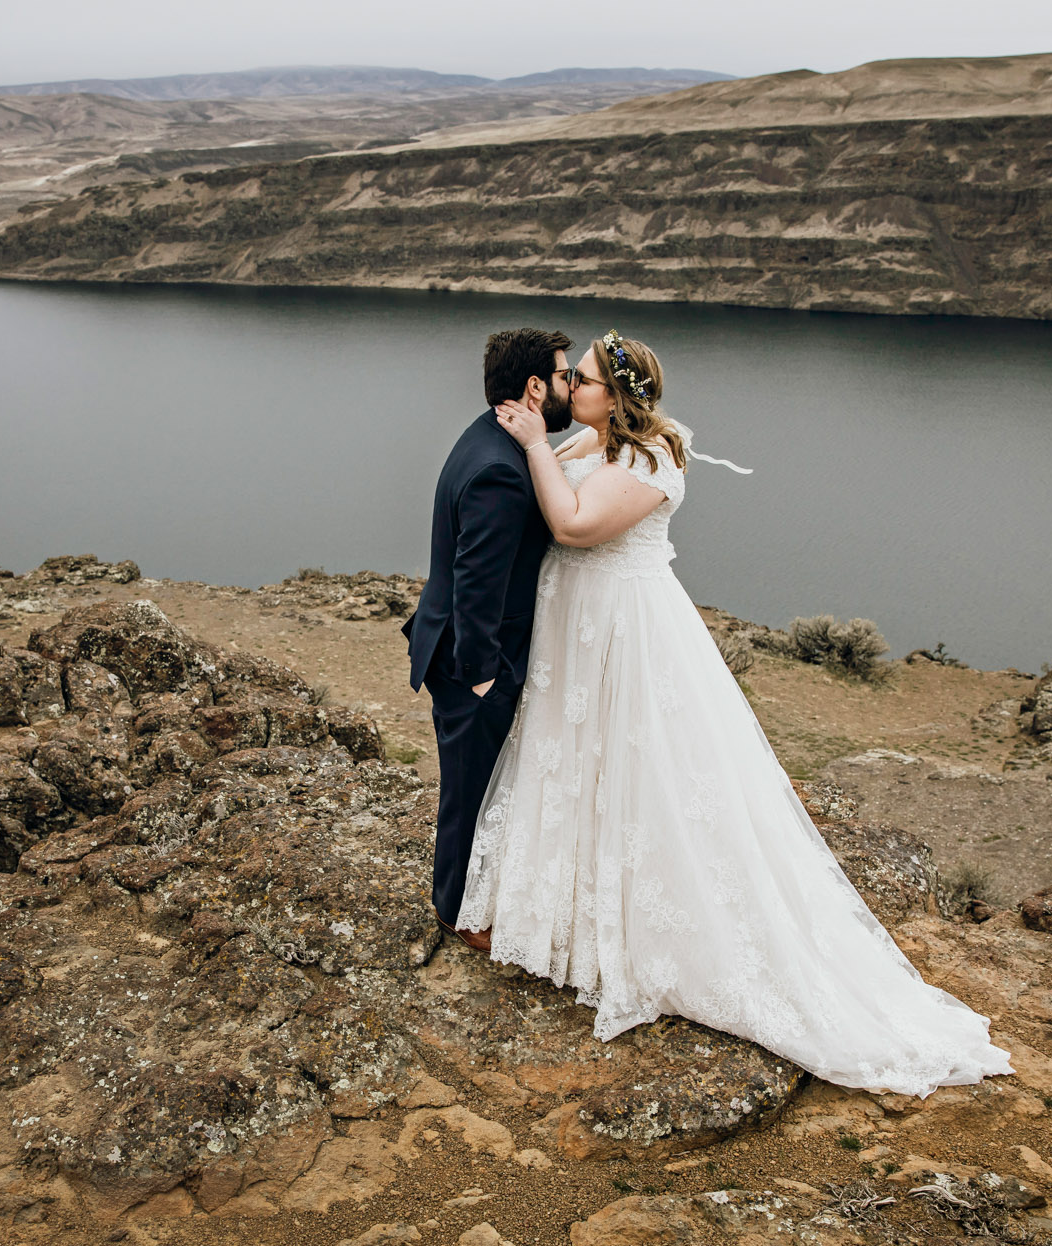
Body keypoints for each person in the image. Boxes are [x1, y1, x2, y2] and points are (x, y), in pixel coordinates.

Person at [459, 329, 1015, 1098]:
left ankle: (652, 937)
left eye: (580, 379)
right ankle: (568, 922)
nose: (567, 389)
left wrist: (530, 447)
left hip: (629, 637)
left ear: (615, 394)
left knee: (640, 774)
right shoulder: (592, 441)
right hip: (580, 639)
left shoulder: (651, 458)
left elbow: (575, 527)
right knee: (576, 766)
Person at [402, 328, 576, 952]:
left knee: (475, 781)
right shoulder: (500, 471)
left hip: (459, 649)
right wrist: (482, 674)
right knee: (469, 787)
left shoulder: (490, 436)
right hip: (471, 661)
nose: (570, 386)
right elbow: (478, 582)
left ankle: (473, 894)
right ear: (534, 388)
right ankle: (455, 910)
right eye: (562, 377)